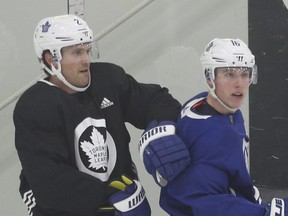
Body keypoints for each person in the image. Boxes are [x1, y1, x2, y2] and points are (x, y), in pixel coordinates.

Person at [13, 14, 191, 216]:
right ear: (51, 59)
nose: (86, 60)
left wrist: (162, 129)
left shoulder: (108, 79)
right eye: (77, 53)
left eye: (87, 50)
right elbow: (49, 181)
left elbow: (155, 100)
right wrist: (110, 202)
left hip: (122, 200)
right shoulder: (34, 105)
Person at [159, 38, 288, 216]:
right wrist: (264, 212)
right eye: (229, 74)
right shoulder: (209, 137)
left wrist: (248, 193)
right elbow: (204, 201)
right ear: (209, 77)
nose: (239, 83)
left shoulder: (207, 104)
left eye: (245, 74)